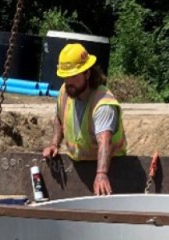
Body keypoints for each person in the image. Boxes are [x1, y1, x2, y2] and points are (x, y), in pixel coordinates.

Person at [42, 43, 127, 196]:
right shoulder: (65, 91)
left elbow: (104, 141)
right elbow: (59, 119)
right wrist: (54, 144)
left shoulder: (103, 104)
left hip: (114, 169)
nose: (69, 82)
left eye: (74, 76)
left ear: (87, 74)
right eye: (65, 77)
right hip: (78, 165)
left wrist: (101, 174)